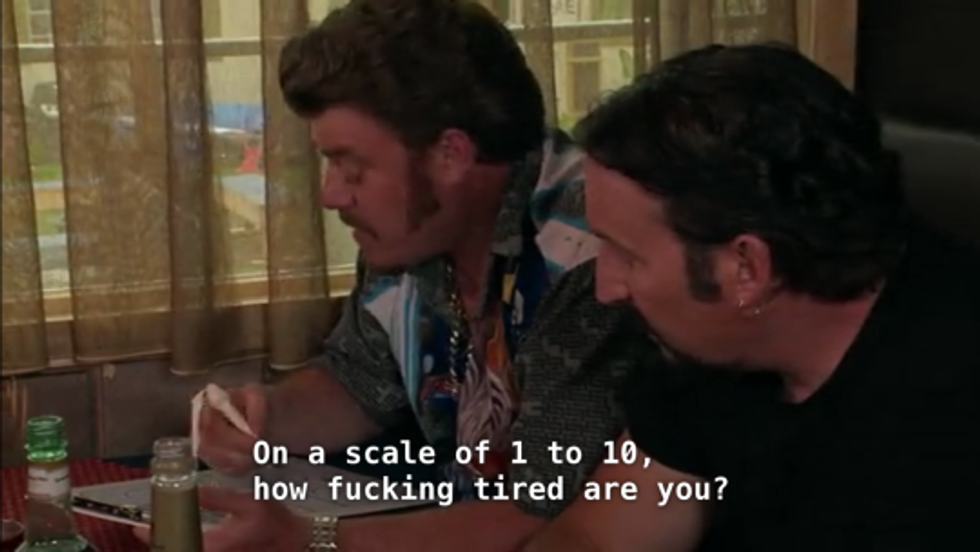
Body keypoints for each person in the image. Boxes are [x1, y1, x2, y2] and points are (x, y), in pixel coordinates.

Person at [132, 1, 646, 551]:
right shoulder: (412, 228)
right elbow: (359, 382)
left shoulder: (593, 254)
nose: (331, 195)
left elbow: (543, 513)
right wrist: (266, 417)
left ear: (450, 154)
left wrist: (313, 539)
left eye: (352, 167)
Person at [524, 42, 980, 551]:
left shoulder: (946, 435)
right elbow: (597, 536)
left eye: (628, 256)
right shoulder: (702, 348)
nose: (606, 289)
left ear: (747, 269)